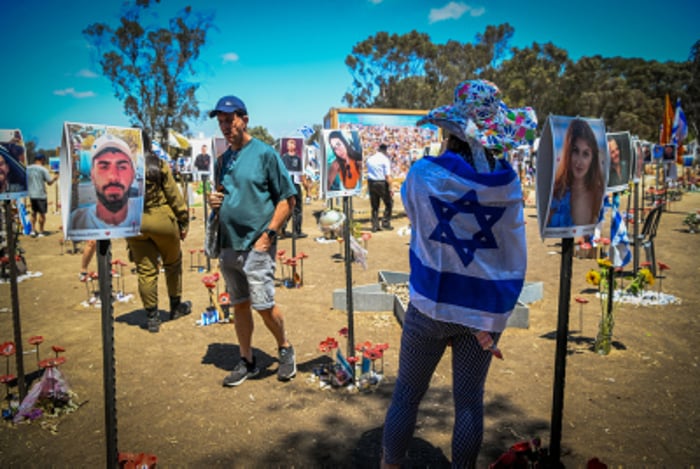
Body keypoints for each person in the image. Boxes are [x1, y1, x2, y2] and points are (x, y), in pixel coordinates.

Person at [381, 79, 536, 469]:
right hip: (481, 311)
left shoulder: (423, 174)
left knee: (407, 394)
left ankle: (390, 463)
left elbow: (418, 222)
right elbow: (509, 244)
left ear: (449, 130)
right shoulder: (508, 182)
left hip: (431, 302)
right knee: (468, 400)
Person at [208, 95, 298, 386]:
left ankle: (285, 348)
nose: (225, 126)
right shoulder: (222, 160)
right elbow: (224, 194)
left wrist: (268, 235)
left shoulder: (264, 154)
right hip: (228, 243)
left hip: (256, 243)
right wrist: (214, 200)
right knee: (240, 304)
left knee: (263, 305)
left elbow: (288, 198)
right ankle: (247, 360)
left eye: (229, 120)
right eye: (221, 121)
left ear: (244, 120)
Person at [126, 131, 191, 333]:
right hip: (162, 221)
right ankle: (175, 307)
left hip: (135, 222)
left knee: (146, 270)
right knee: (172, 264)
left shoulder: (122, 168)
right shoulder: (159, 164)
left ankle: (152, 317)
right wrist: (183, 220)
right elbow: (174, 196)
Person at [70, 133, 142, 230]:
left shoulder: (143, 210)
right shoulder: (76, 222)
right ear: (92, 175)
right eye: (104, 167)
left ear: (133, 174)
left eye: (122, 167)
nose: (113, 177)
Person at [547, 119, 605, 228]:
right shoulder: (555, 192)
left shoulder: (598, 194)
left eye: (585, 154)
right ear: (568, 152)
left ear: (593, 158)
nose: (579, 161)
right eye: (575, 151)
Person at [26, 153, 59, 237]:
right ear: (42, 160)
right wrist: (55, 178)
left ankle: (33, 230)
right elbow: (49, 183)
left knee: (33, 213)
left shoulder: (28, 169)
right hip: (41, 195)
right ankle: (41, 231)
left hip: (31, 194)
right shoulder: (43, 170)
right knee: (42, 214)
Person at [280, 138, 306, 238]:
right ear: (286, 147)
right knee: (286, 208)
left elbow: (301, 173)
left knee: (297, 208)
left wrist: (305, 185)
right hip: (286, 186)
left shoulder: (298, 159)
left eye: (292, 144)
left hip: (296, 185)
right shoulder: (283, 158)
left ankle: (297, 231)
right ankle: (281, 229)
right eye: (289, 144)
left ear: (295, 146)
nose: (291, 146)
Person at [366, 143, 393, 231]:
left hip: (371, 182)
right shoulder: (385, 160)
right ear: (385, 150)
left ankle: (375, 225)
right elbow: (388, 176)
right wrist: (391, 188)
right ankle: (385, 222)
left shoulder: (370, 159)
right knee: (389, 203)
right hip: (381, 183)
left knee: (374, 205)